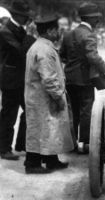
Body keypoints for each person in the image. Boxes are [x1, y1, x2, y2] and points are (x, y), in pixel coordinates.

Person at [24, 14, 74, 174]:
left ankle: (51, 160)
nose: (60, 32)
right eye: (57, 30)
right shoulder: (44, 50)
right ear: (51, 31)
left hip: (40, 97)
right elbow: (49, 79)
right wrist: (58, 96)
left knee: (49, 130)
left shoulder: (40, 46)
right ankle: (31, 164)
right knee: (40, 130)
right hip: (43, 98)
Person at [60, 2, 105, 153]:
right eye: (96, 18)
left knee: (72, 112)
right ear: (90, 18)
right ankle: (86, 143)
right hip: (85, 80)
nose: (98, 21)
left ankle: (71, 144)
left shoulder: (68, 34)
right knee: (86, 111)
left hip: (70, 79)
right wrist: (104, 67)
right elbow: (92, 56)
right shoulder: (89, 35)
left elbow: (62, 55)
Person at [0, 0, 35, 160]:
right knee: (9, 115)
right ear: (17, 16)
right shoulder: (5, 31)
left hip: (21, 80)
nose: (28, 19)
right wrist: (29, 35)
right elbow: (21, 51)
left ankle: (22, 143)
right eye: (25, 16)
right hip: (10, 81)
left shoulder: (18, 29)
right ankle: (4, 148)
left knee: (29, 111)